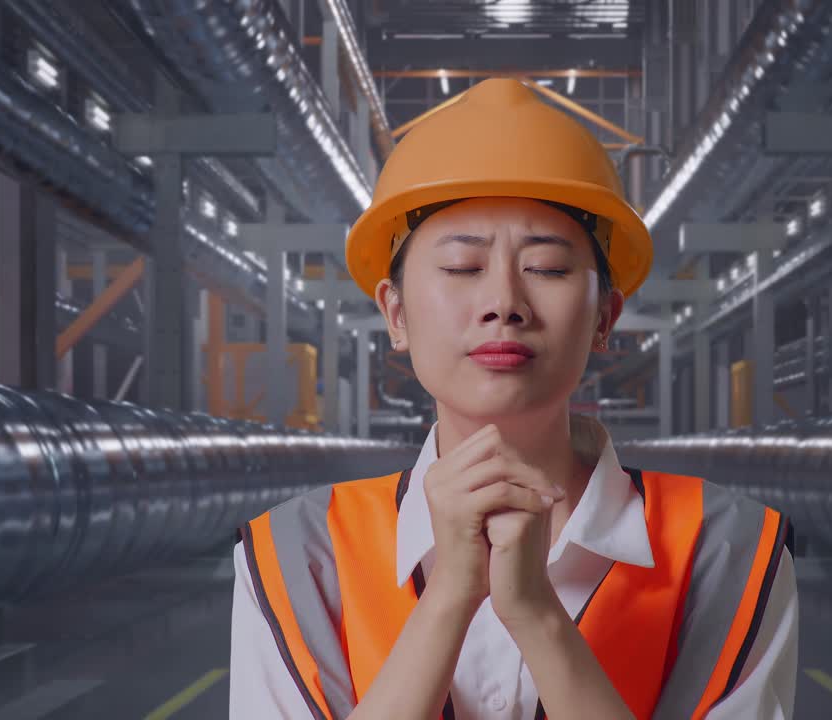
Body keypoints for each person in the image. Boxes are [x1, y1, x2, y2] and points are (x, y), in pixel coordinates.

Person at [230, 77, 797, 720]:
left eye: (549, 268)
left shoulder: (727, 550)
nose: (504, 302)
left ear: (605, 317)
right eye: (462, 268)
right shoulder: (299, 553)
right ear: (396, 312)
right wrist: (449, 596)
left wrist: (534, 614)